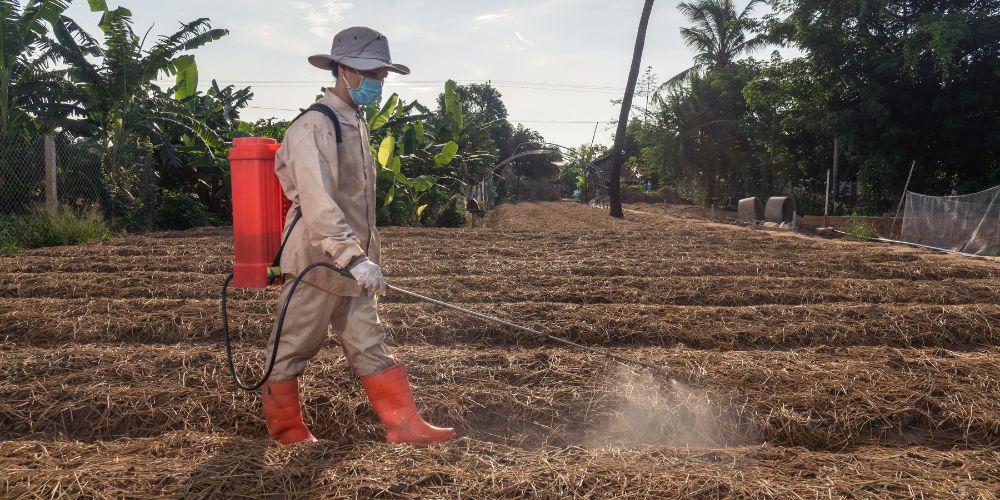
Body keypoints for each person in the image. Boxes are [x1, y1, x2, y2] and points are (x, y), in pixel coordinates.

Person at [261, 27, 456, 446]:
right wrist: (353, 258)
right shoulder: (315, 125)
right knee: (293, 347)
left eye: (382, 74)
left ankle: (405, 426)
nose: (377, 82)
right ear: (342, 70)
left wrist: (363, 259)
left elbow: (355, 203)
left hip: (353, 264)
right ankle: (287, 432)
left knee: (371, 345)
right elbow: (317, 203)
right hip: (317, 262)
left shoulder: (356, 122)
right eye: (370, 73)